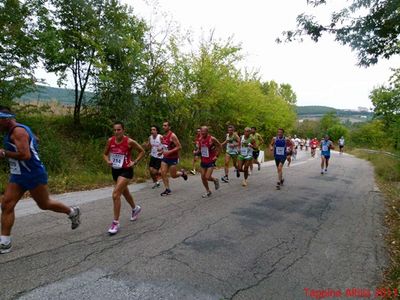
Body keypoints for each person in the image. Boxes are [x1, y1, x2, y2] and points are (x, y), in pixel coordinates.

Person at [0, 107, 81, 254]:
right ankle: (5, 242)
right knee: (6, 204)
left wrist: (5, 153)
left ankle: (72, 212)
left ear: (6, 118)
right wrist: (32, 141)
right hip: (18, 175)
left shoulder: (18, 131)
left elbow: (25, 155)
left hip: (33, 174)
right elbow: (36, 139)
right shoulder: (19, 130)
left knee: (45, 204)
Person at [104, 121, 144, 235]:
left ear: (123, 130)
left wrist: (134, 162)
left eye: (119, 130)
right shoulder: (110, 141)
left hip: (126, 170)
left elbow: (142, 151)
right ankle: (135, 208)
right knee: (124, 192)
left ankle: (115, 223)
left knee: (116, 194)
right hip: (115, 170)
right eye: (115, 130)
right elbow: (105, 154)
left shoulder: (129, 142)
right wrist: (107, 161)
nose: (116, 132)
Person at [159, 121, 188, 196]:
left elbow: (179, 147)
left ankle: (182, 173)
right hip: (165, 157)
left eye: (165, 125)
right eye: (163, 125)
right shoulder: (163, 136)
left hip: (173, 158)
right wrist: (161, 151)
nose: (163, 127)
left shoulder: (173, 136)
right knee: (163, 172)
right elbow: (166, 147)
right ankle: (167, 189)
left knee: (173, 175)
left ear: (169, 127)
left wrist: (169, 152)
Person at [196, 126, 222, 197]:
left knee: (207, 177)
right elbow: (200, 150)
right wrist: (196, 152)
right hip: (203, 160)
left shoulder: (212, 139)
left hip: (211, 160)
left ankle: (215, 180)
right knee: (202, 177)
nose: (202, 133)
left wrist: (216, 156)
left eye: (204, 132)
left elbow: (220, 146)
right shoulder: (200, 139)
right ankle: (208, 191)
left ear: (207, 132)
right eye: (201, 132)